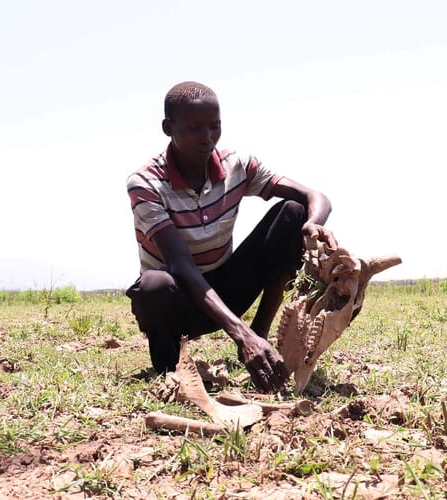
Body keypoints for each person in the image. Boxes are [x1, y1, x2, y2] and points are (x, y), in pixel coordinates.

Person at [126, 81, 335, 392]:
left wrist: (313, 224)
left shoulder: (235, 165)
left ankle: (260, 335)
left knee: (292, 211)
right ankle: (169, 366)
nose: (207, 137)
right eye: (195, 128)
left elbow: (314, 196)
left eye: (215, 126)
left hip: (226, 288)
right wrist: (240, 335)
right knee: (153, 286)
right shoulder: (146, 183)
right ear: (168, 127)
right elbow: (181, 268)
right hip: (180, 301)